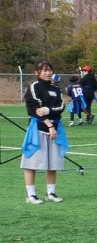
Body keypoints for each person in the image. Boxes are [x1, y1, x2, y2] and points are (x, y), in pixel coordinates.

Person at [21, 60, 68, 204]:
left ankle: (51, 193)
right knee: (31, 163)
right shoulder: (35, 86)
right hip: (38, 130)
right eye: (44, 70)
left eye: (50, 70)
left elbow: (61, 106)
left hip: (54, 131)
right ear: (37, 72)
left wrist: (49, 110)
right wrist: (49, 124)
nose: (48, 73)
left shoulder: (56, 88)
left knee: (53, 163)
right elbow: (34, 108)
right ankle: (31, 195)